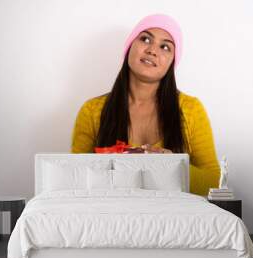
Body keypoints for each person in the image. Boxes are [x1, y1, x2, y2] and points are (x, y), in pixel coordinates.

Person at [70, 14, 220, 196]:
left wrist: (170, 167)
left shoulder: (191, 110)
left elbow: (215, 181)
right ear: (129, 47)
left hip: (173, 220)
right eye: (145, 39)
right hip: (110, 218)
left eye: (165, 47)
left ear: (172, 61)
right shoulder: (91, 111)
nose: (152, 50)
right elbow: (74, 180)